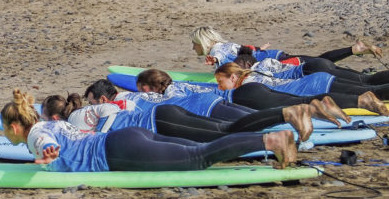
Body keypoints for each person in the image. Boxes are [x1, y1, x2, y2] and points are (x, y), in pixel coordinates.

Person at [1, 89, 297, 171]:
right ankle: (270, 139)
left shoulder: (37, 135)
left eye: (5, 130)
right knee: (199, 148)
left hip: (117, 152)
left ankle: (271, 140)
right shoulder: (52, 122)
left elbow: (44, 143)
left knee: (197, 157)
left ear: (15, 127)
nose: (6, 135)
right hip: (128, 136)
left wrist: (46, 154)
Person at [70, 80, 317, 142]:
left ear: (102, 99)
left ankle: (291, 118)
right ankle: (295, 118)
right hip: (199, 100)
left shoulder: (118, 104)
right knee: (247, 121)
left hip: (196, 108)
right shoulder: (134, 95)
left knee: (240, 126)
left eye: (92, 102)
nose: (93, 107)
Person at [135, 67, 349, 125]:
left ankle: (318, 107)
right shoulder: (182, 84)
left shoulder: (170, 94)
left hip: (236, 98)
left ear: (148, 87)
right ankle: (320, 108)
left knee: (265, 117)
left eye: (140, 88)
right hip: (240, 93)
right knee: (279, 110)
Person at [190, 26, 386, 83]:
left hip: (278, 63)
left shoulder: (217, 52)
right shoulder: (226, 44)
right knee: (319, 61)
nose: (193, 48)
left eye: (194, 44)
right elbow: (246, 50)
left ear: (203, 42)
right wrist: (260, 48)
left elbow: (229, 64)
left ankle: (365, 78)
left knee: (318, 65)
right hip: (276, 55)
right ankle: (355, 50)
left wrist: (215, 61)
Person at [215, 59, 389, 116]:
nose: (220, 87)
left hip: (311, 88)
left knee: (373, 92)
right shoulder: (256, 70)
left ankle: (364, 101)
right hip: (316, 79)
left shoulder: (247, 86)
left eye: (221, 83)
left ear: (232, 77)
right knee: (369, 82)